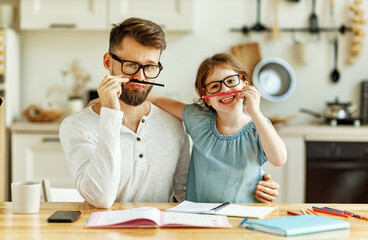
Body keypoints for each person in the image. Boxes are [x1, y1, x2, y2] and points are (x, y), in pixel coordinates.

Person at [60, 17, 280, 208]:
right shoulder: (77, 126)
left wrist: (251, 186)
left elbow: (184, 194)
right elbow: (100, 198)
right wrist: (109, 113)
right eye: (130, 65)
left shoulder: (173, 124)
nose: (141, 77)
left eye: (150, 67)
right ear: (109, 62)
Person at [147, 53, 287, 203]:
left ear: (244, 85)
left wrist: (255, 112)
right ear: (206, 98)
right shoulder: (198, 119)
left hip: (245, 214)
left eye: (231, 81)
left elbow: (279, 159)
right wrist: (124, 89)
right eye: (214, 86)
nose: (225, 89)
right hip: (201, 215)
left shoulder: (259, 125)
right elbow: (157, 99)